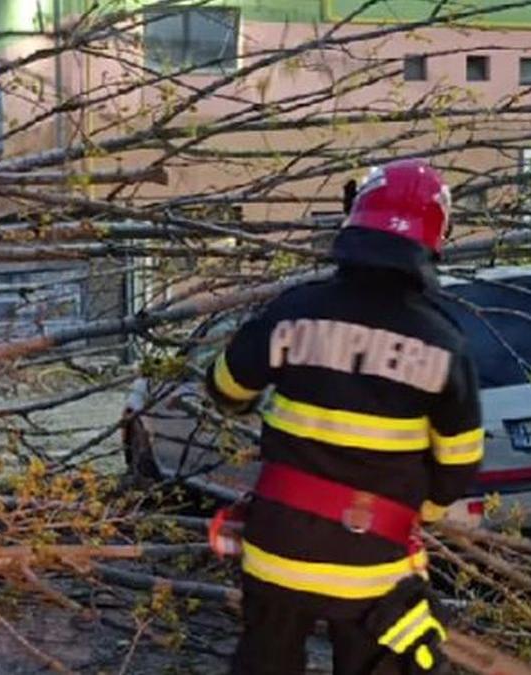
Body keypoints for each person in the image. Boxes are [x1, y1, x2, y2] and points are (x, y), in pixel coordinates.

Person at [205, 159, 484, 675]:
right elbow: (459, 465)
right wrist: (421, 508)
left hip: (276, 551)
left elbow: (224, 387)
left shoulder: (295, 310)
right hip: (372, 566)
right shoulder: (445, 343)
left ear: (353, 222)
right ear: (435, 239)